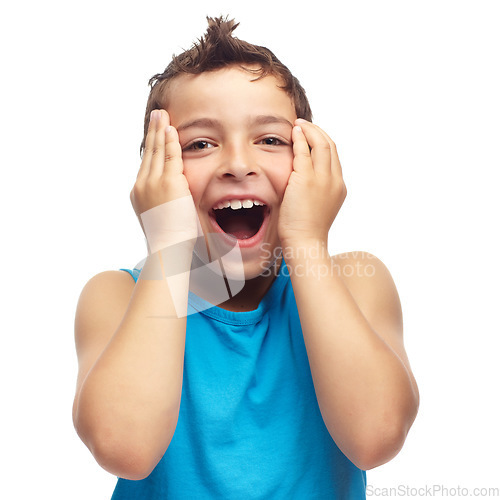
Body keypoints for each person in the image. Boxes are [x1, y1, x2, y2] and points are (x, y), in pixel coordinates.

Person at [72, 16, 419, 499]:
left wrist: (307, 242)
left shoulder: (357, 282)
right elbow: (125, 448)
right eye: (200, 144)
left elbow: (376, 438)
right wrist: (169, 246)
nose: (237, 164)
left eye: (271, 139)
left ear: (310, 165)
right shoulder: (117, 296)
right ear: (158, 174)